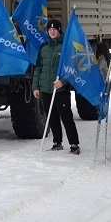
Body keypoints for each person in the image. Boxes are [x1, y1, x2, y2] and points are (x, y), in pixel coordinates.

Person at [33, 18, 80, 154]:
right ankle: (57, 142)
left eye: (55, 29)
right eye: (50, 30)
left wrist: (63, 82)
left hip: (60, 90)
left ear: (59, 31)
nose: (52, 32)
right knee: (51, 116)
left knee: (66, 117)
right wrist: (36, 86)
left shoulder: (66, 47)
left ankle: (74, 144)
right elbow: (38, 68)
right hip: (46, 89)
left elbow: (72, 68)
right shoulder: (44, 47)